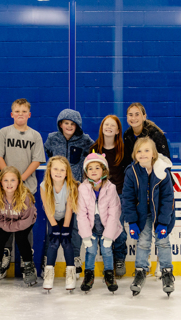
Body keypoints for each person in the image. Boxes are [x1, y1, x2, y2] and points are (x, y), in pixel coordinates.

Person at [0, 98, 46, 278]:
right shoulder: (4, 133)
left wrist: (20, 179)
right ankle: (4, 258)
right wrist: (9, 179)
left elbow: (36, 160)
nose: (20, 114)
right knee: (4, 223)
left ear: (29, 115)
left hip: (27, 188)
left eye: (24, 111)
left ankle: (26, 260)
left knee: (25, 226)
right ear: (11, 114)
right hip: (6, 188)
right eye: (17, 111)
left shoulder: (35, 135)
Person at [43, 108, 93, 279]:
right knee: (53, 223)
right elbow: (49, 157)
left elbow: (91, 159)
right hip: (55, 188)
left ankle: (76, 259)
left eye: (73, 124)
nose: (69, 126)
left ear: (77, 126)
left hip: (75, 189)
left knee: (75, 225)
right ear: (60, 124)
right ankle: (47, 261)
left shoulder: (85, 141)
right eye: (66, 123)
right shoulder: (52, 139)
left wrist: (83, 179)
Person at [122, 137, 175, 297]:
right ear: (134, 154)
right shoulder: (132, 172)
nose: (143, 154)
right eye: (139, 151)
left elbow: (168, 199)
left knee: (163, 242)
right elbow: (128, 198)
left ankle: (167, 272)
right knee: (143, 242)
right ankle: (140, 271)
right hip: (142, 214)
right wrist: (131, 221)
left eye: (147, 150)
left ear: (154, 154)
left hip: (160, 213)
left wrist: (163, 223)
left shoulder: (162, 172)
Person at [77, 152, 122, 293]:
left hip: (106, 226)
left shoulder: (111, 188)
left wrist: (109, 236)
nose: (94, 171)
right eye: (90, 168)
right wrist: (85, 235)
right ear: (86, 172)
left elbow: (114, 213)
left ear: (104, 170)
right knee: (90, 250)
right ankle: (88, 276)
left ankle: (109, 274)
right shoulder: (82, 188)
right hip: (90, 227)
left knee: (107, 250)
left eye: (97, 167)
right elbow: (81, 213)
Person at [90, 115, 128, 279]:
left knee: (118, 228)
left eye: (113, 125)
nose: (109, 127)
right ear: (102, 127)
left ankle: (119, 258)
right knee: (101, 228)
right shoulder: (94, 148)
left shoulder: (123, 150)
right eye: (106, 124)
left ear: (118, 130)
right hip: (98, 196)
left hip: (118, 195)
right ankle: (107, 260)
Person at [0, 166, 38, 286]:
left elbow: (27, 219)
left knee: (21, 238)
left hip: (23, 222)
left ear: (19, 181)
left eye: (13, 180)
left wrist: (10, 226)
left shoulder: (26, 196)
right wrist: (8, 226)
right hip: (4, 221)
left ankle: (28, 265)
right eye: (6, 180)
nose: (9, 184)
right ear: (0, 182)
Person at [40, 156, 79, 291]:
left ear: (67, 172)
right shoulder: (44, 186)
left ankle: (71, 273)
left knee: (67, 242)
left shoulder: (70, 186)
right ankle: (49, 273)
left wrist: (66, 227)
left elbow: (69, 208)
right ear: (50, 170)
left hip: (67, 217)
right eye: (55, 169)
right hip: (53, 218)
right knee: (54, 242)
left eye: (62, 170)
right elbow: (47, 207)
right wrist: (55, 226)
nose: (58, 172)